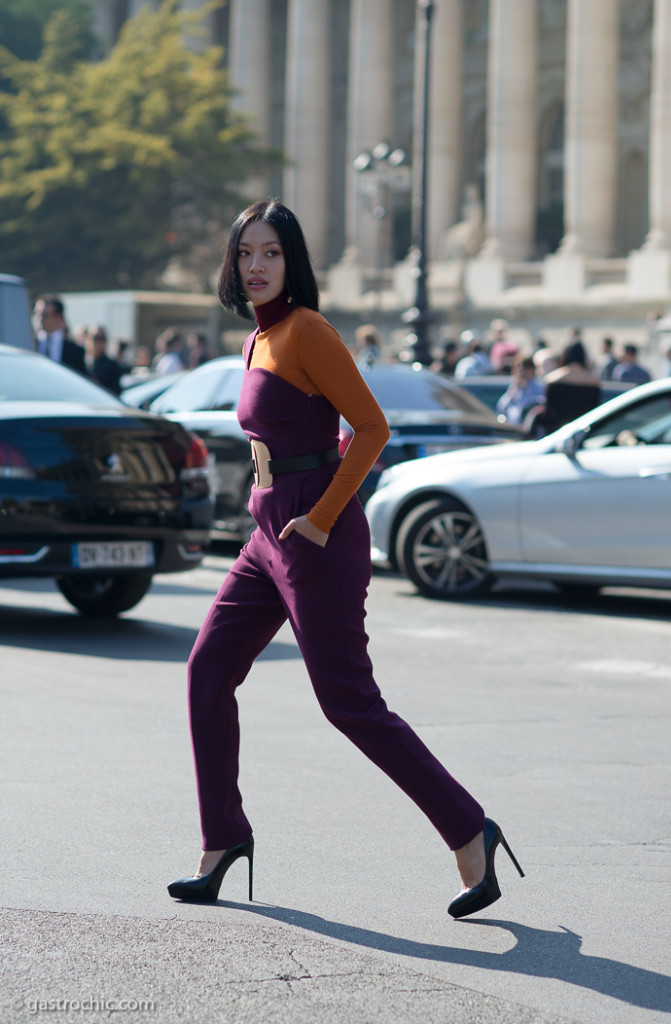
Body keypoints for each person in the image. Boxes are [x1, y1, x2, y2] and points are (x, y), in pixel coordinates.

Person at [167, 200, 523, 918]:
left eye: (270, 253)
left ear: (293, 262)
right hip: (267, 533)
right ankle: (222, 839)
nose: (257, 266)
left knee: (349, 704)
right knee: (207, 671)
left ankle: (468, 831)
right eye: (245, 254)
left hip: (314, 534)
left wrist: (322, 519)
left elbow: (370, 428)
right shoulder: (256, 340)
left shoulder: (306, 331)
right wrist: (269, 516)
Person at [539, 340, 601, 434]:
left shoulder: (553, 379)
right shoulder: (593, 382)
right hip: (582, 433)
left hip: (557, 434)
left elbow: (548, 413)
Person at [33, 295, 87, 375]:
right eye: (37, 314)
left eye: (45, 315)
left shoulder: (75, 351)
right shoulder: (30, 345)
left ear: (58, 317)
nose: (39, 319)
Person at [496, 355, 545, 426]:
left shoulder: (539, 388)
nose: (521, 373)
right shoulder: (514, 388)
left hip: (530, 429)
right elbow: (501, 408)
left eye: (523, 370)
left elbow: (540, 405)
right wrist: (513, 391)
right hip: (512, 428)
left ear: (531, 370)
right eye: (518, 370)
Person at [85, 325, 123, 395]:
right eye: (95, 338)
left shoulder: (112, 366)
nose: (98, 343)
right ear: (87, 339)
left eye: (102, 339)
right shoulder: (79, 362)